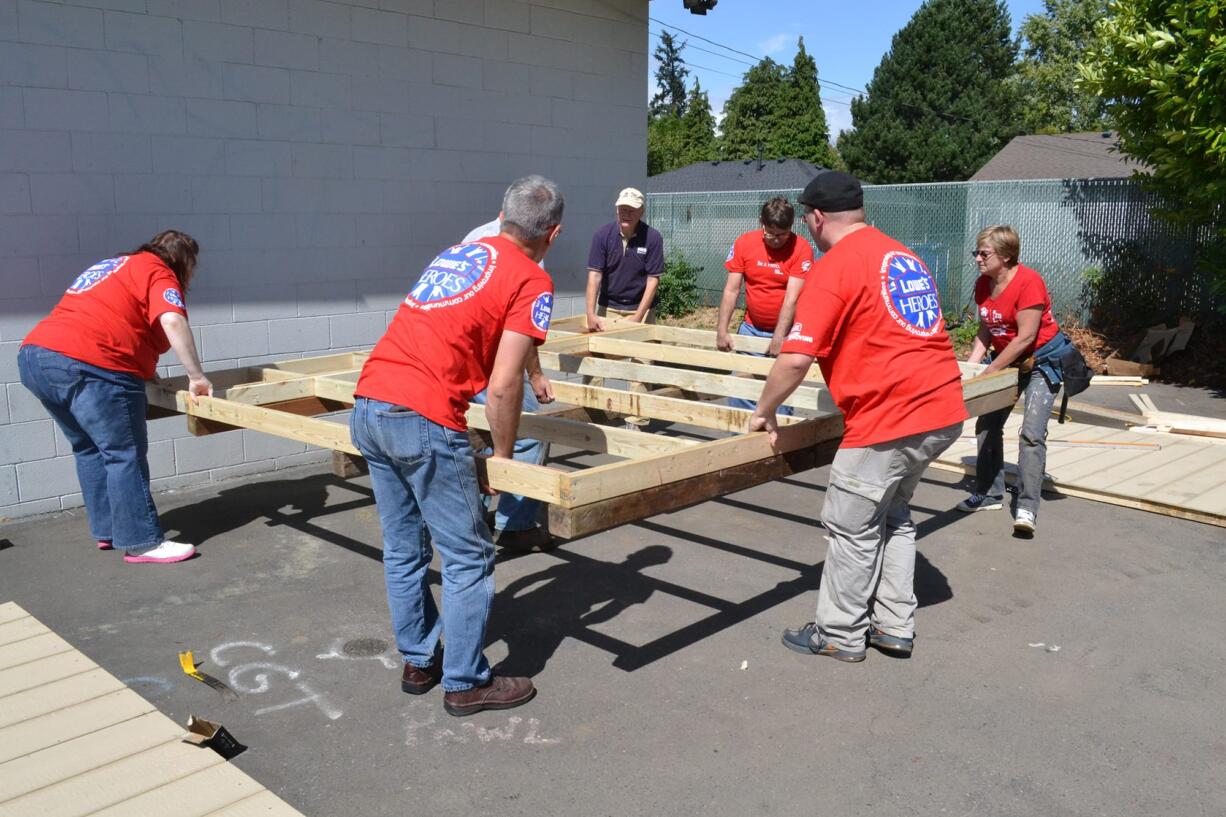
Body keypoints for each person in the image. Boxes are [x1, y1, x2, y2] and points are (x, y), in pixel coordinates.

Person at [350, 175, 561, 717]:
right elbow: (506, 382)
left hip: (370, 402)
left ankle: (420, 661)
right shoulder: (532, 279)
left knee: (403, 549)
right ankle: (466, 681)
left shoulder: (458, 253)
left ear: (500, 214)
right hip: (420, 415)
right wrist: (504, 459)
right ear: (553, 234)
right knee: (469, 557)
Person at [749, 172, 968, 663]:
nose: (806, 227)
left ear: (817, 217)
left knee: (850, 525)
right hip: (942, 409)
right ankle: (893, 625)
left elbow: (794, 357)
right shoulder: (900, 254)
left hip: (891, 417)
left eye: (806, 219)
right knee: (893, 516)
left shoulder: (834, 266)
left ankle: (840, 634)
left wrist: (763, 411)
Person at [18, 230, 212, 565]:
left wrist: (144, 367)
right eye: (192, 267)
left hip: (37, 357)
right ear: (183, 261)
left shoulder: (115, 265)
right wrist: (196, 376)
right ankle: (142, 541)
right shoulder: (159, 271)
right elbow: (171, 320)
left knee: (89, 447)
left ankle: (108, 530)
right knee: (124, 453)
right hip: (91, 366)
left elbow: (110, 319)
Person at [958, 225, 1068, 536]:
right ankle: (990, 493)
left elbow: (1026, 338)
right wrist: (971, 368)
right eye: (976, 253)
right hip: (1009, 360)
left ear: (1006, 256)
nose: (977, 258)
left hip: (1041, 361)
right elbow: (986, 330)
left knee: (1031, 434)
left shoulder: (1028, 282)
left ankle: (1027, 506)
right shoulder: (984, 283)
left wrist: (991, 371)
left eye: (984, 253)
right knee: (987, 425)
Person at [462, 216, 554, 551]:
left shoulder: (475, 238)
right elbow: (519, 332)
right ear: (550, 231)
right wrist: (535, 374)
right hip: (493, 360)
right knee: (529, 433)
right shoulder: (528, 253)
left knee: (476, 435)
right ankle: (516, 525)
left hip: (465, 361)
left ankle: (473, 521)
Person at [717, 196, 814, 414]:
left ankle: (778, 446)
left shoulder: (801, 249)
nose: (776, 240)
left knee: (779, 396)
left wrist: (779, 337)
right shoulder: (744, 243)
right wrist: (722, 330)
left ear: (791, 226)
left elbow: (792, 297)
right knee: (741, 391)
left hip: (787, 334)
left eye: (782, 234)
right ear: (762, 223)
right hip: (751, 329)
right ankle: (740, 440)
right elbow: (732, 290)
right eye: (770, 234)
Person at [583, 187, 664, 428]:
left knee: (640, 365)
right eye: (622, 209)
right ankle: (592, 412)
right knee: (596, 361)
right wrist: (590, 313)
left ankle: (636, 419)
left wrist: (639, 315)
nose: (626, 213)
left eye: (631, 209)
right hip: (609, 306)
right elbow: (594, 276)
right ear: (616, 209)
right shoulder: (602, 235)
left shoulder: (652, 238)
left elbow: (653, 280)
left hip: (641, 308)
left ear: (641, 211)